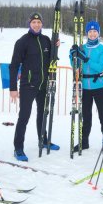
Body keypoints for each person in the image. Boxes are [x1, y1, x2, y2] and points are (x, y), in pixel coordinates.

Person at [10, 12, 60, 162]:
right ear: (29, 24)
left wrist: (55, 47)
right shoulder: (22, 42)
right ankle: (18, 147)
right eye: (34, 22)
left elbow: (51, 59)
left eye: (39, 22)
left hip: (44, 84)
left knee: (43, 113)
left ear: (42, 24)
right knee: (24, 116)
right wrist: (13, 88)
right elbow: (13, 66)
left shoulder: (46, 40)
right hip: (28, 85)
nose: (36, 25)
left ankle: (43, 140)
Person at [69, 20, 103, 154]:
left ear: (98, 33)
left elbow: (99, 67)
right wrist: (73, 55)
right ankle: (84, 142)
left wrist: (86, 59)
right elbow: (75, 66)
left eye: (95, 31)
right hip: (84, 88)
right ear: (86, 33)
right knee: (86, 116)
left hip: (99, 87)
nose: (92, 34)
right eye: (90, 32)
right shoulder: (82, 47)